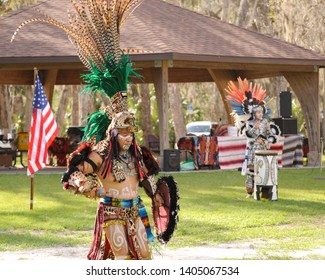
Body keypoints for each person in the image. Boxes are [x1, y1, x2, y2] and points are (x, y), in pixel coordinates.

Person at [62, 108, 169, 260]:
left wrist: (155, 194)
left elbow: (145, 175)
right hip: (112, 210)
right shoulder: (101, 154)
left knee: (144, 254)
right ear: (113, 133)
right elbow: (74, 171)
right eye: (124, 133)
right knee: (122, 254)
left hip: (136, 209)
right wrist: (87, 186)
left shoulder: (135, 152)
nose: (129, 138)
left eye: (131, 133)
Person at [225, 77, 281, 198]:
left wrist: (267, 138)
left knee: (263, 169)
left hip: (263, 150)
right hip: (252, 149)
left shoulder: (266, 123)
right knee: (251, 171)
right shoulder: (248, 124)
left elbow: (274, 136)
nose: (261, 114)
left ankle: (265, 191)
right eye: (258, 113)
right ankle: (250, 192)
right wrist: (256, 131)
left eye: (262, 112)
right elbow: (248, 134)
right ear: (254, 113)